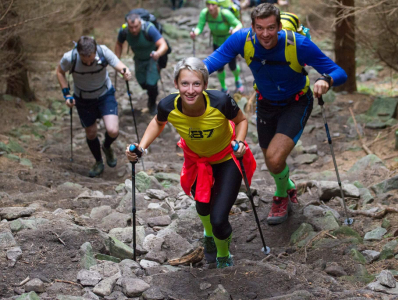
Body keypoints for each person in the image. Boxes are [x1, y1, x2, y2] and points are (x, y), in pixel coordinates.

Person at [203, 3, 347, 225]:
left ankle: (280, 196)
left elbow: (339, 72)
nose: (265, 34)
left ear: (279, 26)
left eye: (271, 28)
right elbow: (213, 61)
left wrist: (325, 79)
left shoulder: (298, 44)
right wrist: (191, 75)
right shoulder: (242, 39)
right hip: (265, 102)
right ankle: (288, 187)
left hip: (296, 102)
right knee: (272, 164)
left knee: (274, 158)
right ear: (252, 26)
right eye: (259, 28)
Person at [126, 57, 256, 268]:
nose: (190, 90)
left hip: (226, 158)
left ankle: (223, 256)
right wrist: (141, 147)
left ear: (205, 85)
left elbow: (241, 120)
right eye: (185, 84)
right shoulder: (168, 105)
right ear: (176, 84)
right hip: (198, 161)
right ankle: (208, 236)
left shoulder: (221, 101)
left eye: (196, 84)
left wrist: (240, 143)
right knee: (202, 207)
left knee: (219, 218)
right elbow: (157, 122)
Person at [56, 36, 132, 177]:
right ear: (79, 53)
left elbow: (118, 63)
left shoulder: (103, 51)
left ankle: (107, 146)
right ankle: (98, 161)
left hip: (105, 95)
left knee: (113, 130)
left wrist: (125, 71)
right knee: (91, 132)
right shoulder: (70, 58)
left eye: (91, 59)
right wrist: (66, 94)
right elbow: (60, 72)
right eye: (85, 60)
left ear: (95, 50)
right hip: (83, 99)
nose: (89, 62)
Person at [115, 12, 169, 115]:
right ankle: (151, 95)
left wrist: (158, 53)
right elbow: (119, 43)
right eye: (131, 27)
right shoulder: (124, 31)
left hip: (152, 59)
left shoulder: (149, 28)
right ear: (127, 25)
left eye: (136, 26)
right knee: (142, 83)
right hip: (138, 59)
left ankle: (152, 104)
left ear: (140, 23)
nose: (134, 30)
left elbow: (163, 45)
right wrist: (117, 59)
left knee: (151, 84)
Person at [190, 0, 244, 94]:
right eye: (208, 4)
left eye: (213, 5)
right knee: (219, 67)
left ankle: (237, 80)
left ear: (217, 5)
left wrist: (235, 30)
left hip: (229, 43)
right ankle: (223, 87)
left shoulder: (225, 13)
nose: (210, 7)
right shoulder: (205, 13)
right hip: (216, 42)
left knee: (233, 65)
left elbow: (239, 24)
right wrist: (195, 33)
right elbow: (200, 26)